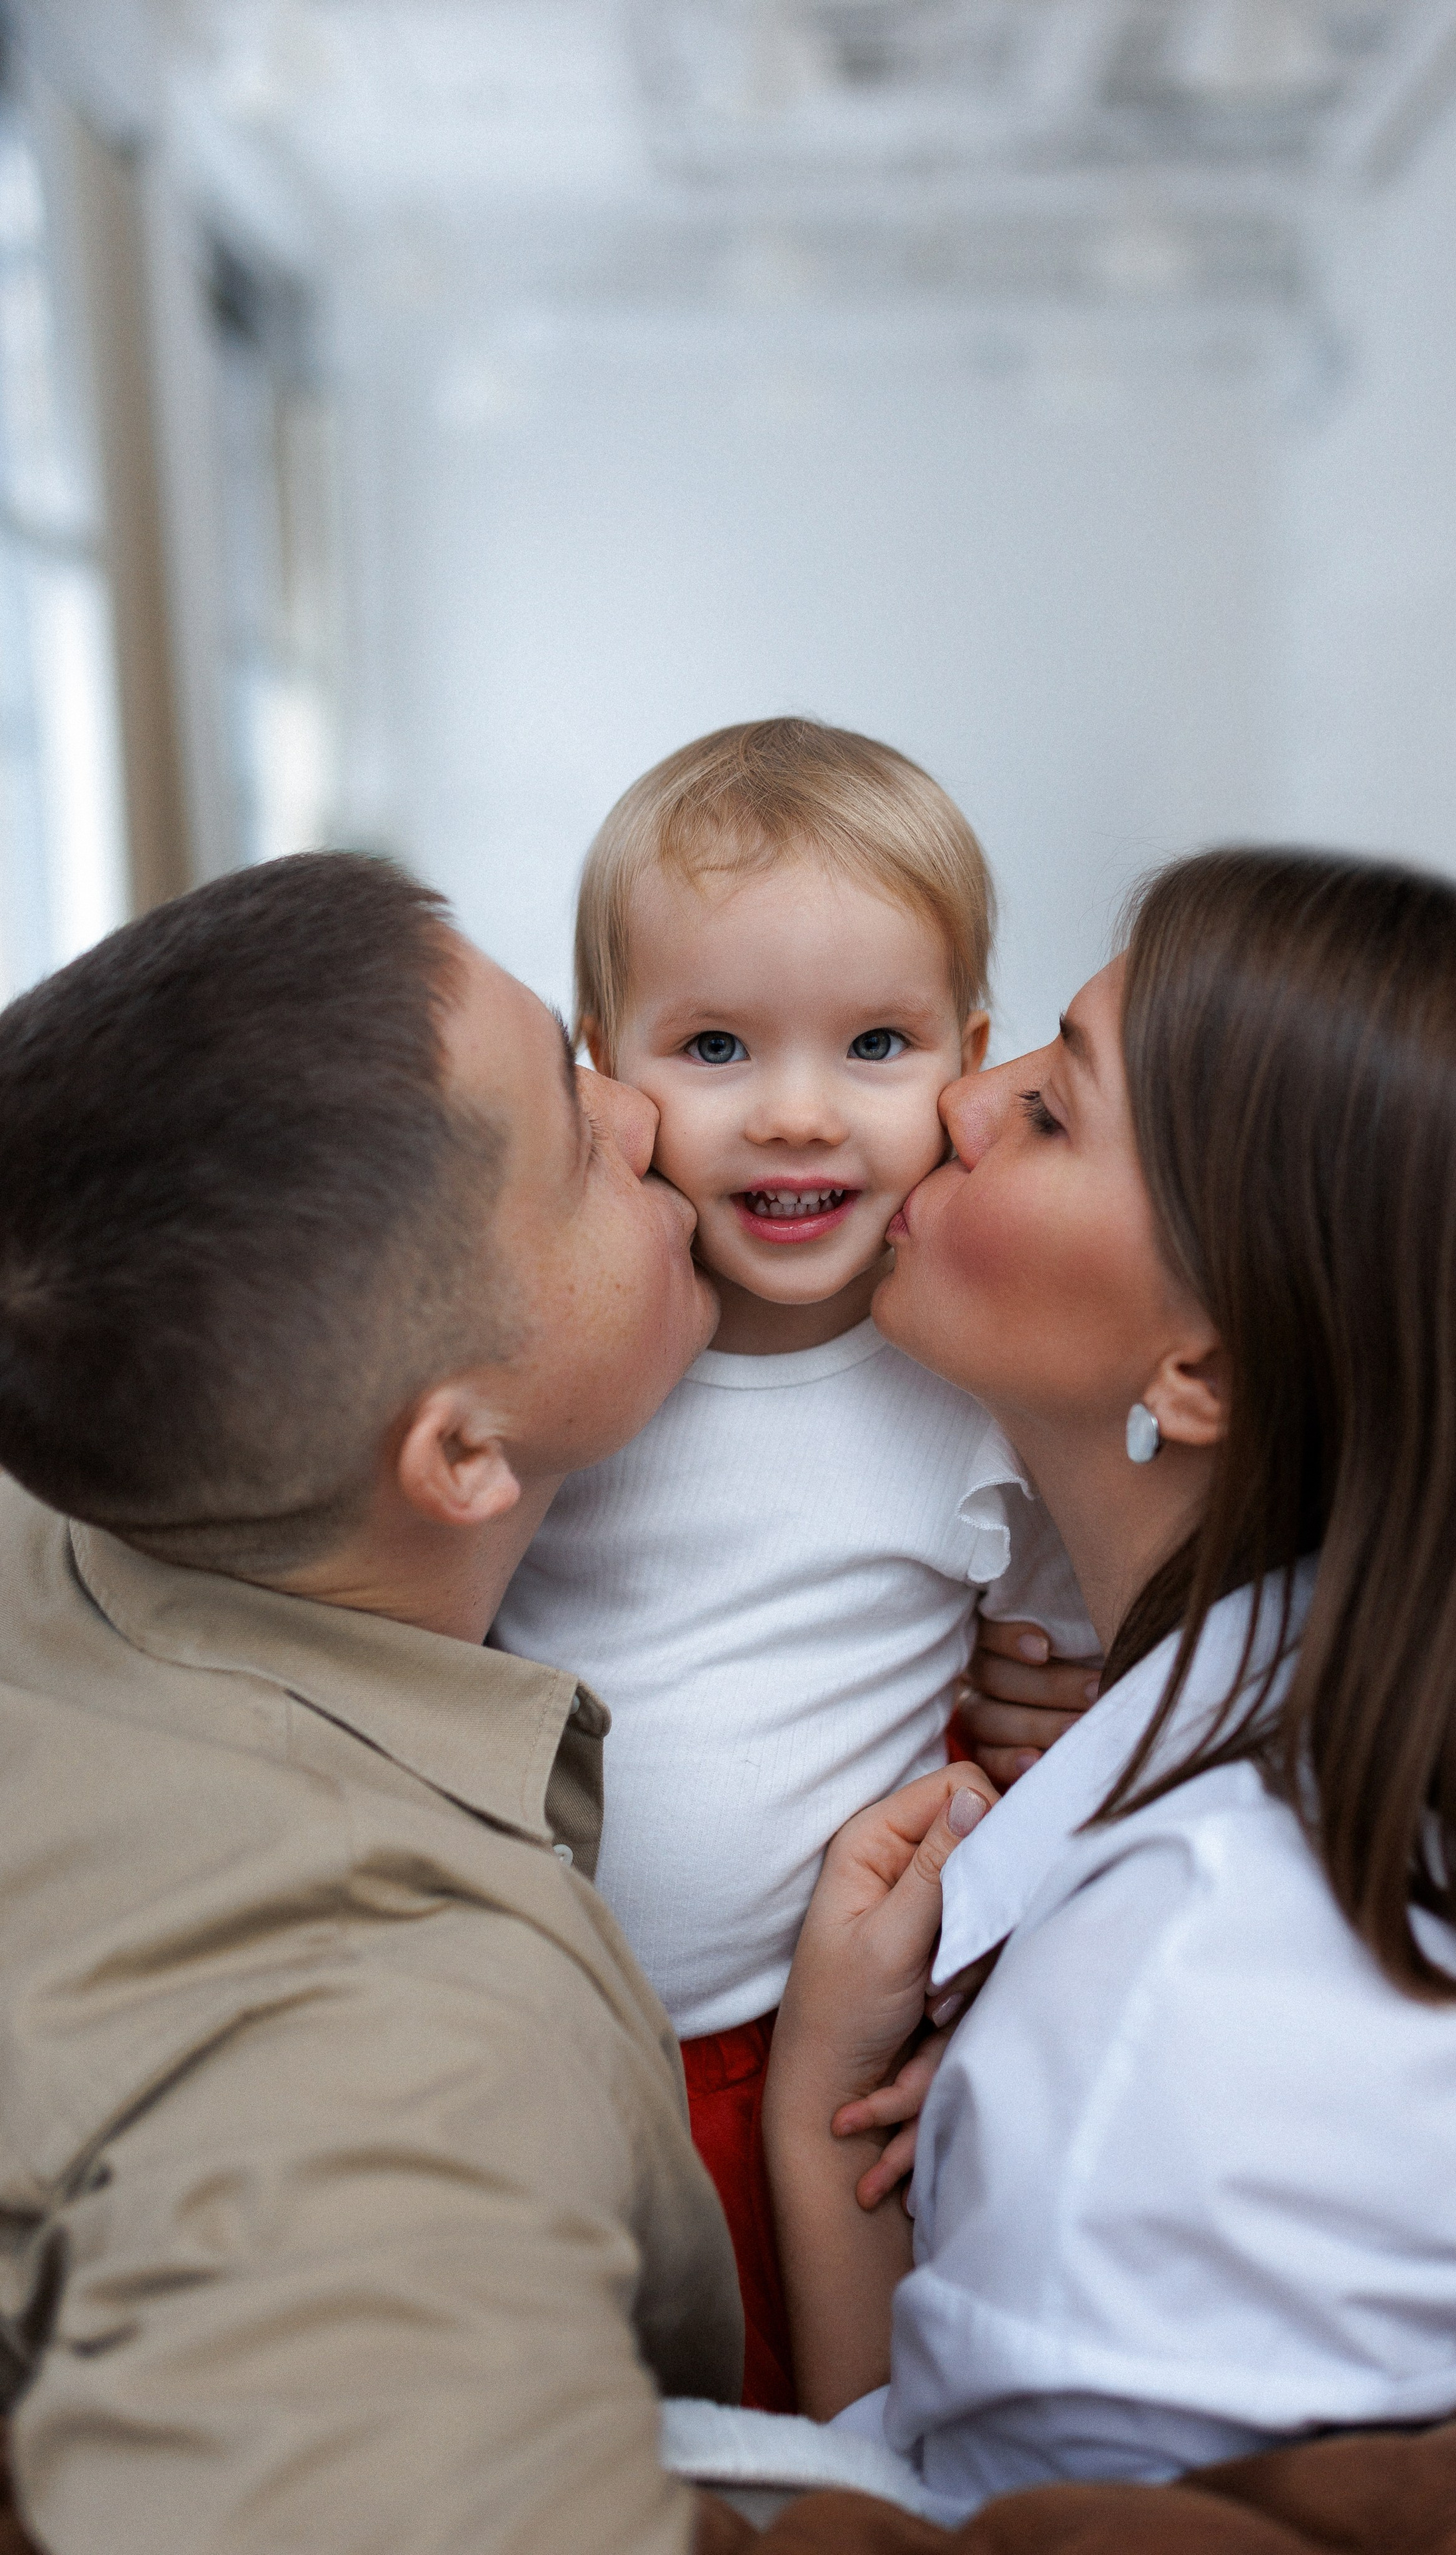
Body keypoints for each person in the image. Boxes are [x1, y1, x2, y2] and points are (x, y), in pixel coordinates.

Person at [764, 847, 1456, 2516]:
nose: (956, 1105)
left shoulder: (1190, 1996)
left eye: (1050, 1109)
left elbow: (1006, 2533)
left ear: (1195, 1369)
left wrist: (811, 2116)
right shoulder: (1398, 1751)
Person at [0, 854, 750, 2555]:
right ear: (461, 1451)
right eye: (579, 1143)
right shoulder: (391, 2029)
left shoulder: (86, 1418)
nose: (644, 1113)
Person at [496, 719, 1097, 2413]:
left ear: (967, 1063)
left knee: (772, 2421)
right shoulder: (578, 1346)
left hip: (794, 2048)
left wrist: (1041, 1733)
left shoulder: (965, 1385)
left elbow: (1072, 1680)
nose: (796, 1115)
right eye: (714, 1046)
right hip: (522, 2019)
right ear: (602, 1068)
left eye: (875, 1045)